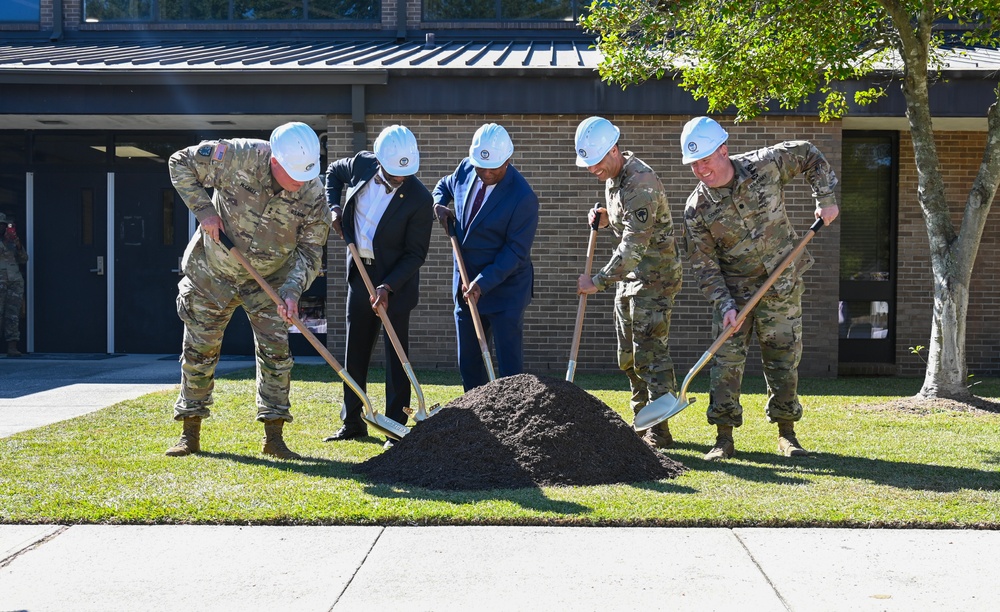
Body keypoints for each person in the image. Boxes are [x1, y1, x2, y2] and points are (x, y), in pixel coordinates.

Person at [165, 121, 331, 460]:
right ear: (274, 161)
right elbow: (179, 162)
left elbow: (311, 251)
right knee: (199, 351)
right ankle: (190, 432)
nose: (299, 183)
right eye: (293, 175)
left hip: (270, 280)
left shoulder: (313, 193)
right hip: (213, 272)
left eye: (305, 176)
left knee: (276, 354)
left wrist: (292, 291)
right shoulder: (238, 155)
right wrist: (205, 211)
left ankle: (274, 437)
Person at [680, 116, 840, 461]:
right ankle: (724, 438)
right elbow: (704, 266)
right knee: (726, 363)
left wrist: (825, 197)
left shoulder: (765, 165)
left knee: (783, 359)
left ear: (723, 150)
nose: (701, 169)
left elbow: (809, 153)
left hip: (781, 284)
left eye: (705, 159)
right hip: (735, 293)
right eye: (694, 163)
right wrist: (725, 305)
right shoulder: (697, 210)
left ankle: (787, 435)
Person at [573, 116, 684, 449]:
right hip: (629, 278)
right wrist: (607, 219)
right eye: (588, 163)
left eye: (595, 162)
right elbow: (627, 225)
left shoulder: (640, 182)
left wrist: (598, 280)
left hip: (654, 280)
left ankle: (659, 430)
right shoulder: (614, 177)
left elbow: (634, 246)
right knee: (627, 357)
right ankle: (641, 421)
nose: (592, 169)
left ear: (614, 150)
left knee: (650, 354)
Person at [323, 125, 433, 446]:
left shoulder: (419, 199)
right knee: (355, 351)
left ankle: (395, 427)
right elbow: (333, 173)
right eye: (395, 173)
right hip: (361, 273)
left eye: (406, 173)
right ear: (380, 160)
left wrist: (387, 287)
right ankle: (353, 422)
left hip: (395, 283)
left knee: (397, 358)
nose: (401, 178)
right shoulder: (362, 164)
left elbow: (416, 254)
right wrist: (333, 207)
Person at [433, 123, 539, 391]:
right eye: (481, 166)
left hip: (505, 290)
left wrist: (481, 282)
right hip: (465, 286)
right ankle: (476, 427)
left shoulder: (523, 197)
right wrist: (438, 204)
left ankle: (512, 420)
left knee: (509, 370)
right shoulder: (466, 169)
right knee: (469, 364)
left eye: (495, 167)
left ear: (508, 160)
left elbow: (516, 251)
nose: (487, 173)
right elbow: (444, 185)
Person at [0, 212, 27, 358]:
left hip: (14, 282)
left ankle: (12, 346)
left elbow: (24, 259)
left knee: (13, 315)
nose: (1, 227)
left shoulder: (11, 241)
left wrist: (17, 244)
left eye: (3, 225)